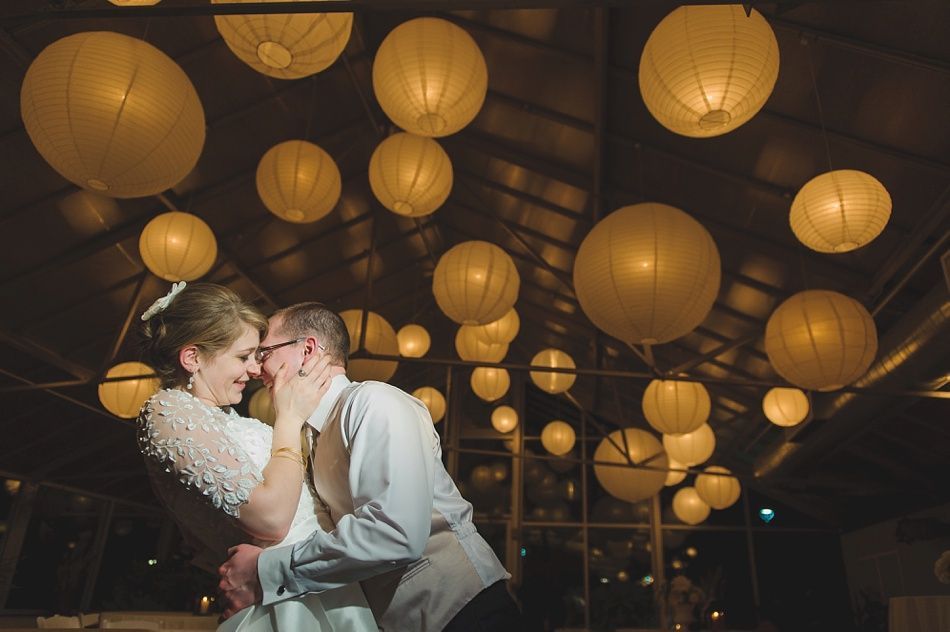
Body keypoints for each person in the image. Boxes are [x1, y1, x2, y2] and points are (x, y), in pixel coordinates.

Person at [218, 302, 521, 631]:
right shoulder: (306, 435)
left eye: (265, 353)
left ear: (306, 350)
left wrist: (267, 571)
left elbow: (394, 533)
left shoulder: (374, 402)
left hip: (463, 613)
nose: (255, 369)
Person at [136, 283, 377, 631]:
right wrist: (289, 419)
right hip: (282, 604)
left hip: (312, 583)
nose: (254, 370)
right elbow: (271, 518)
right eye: (242, 356)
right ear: (193, 358)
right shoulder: (165, 412)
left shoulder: (227, 420)